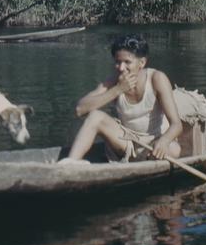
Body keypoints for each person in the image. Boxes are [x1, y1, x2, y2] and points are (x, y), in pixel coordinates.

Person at [59, 34, 183, 164]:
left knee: (175, 149)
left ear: (142, 62)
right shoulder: (115, 81)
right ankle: (70, 163)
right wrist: (117, 90)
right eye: (118, 62)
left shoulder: (157, 79)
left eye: (127, 62)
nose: (121, 68)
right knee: (95, 116)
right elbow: (80, 109)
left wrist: (164, 141)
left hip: (153, 145)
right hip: (125, 143)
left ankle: (149, 161)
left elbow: (176, 125)